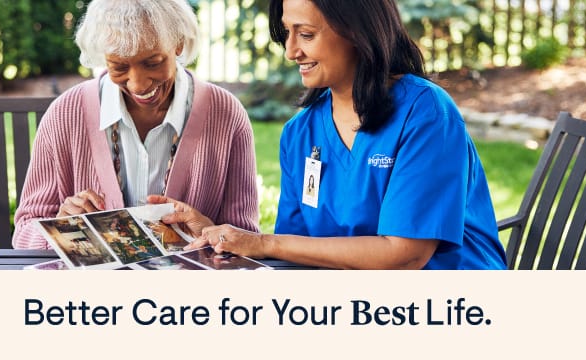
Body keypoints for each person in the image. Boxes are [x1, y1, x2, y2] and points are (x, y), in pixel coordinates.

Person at [153, 0, 506, 269]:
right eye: (288, 33)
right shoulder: (300, 133)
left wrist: (262, 243)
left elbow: (405, 256)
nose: (291, 51)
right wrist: (214, 237)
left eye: (306, 34)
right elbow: (295, 250)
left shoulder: (425, 111)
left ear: (357, 31)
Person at [12, 0, 259, 249]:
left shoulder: (226, 114)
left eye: (153, 63)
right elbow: (24, 232)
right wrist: (59, 230)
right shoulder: (65, 114)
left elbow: (246, 237)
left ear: (178, 44)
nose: (138, 85)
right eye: (119, 67)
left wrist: (208, 233)